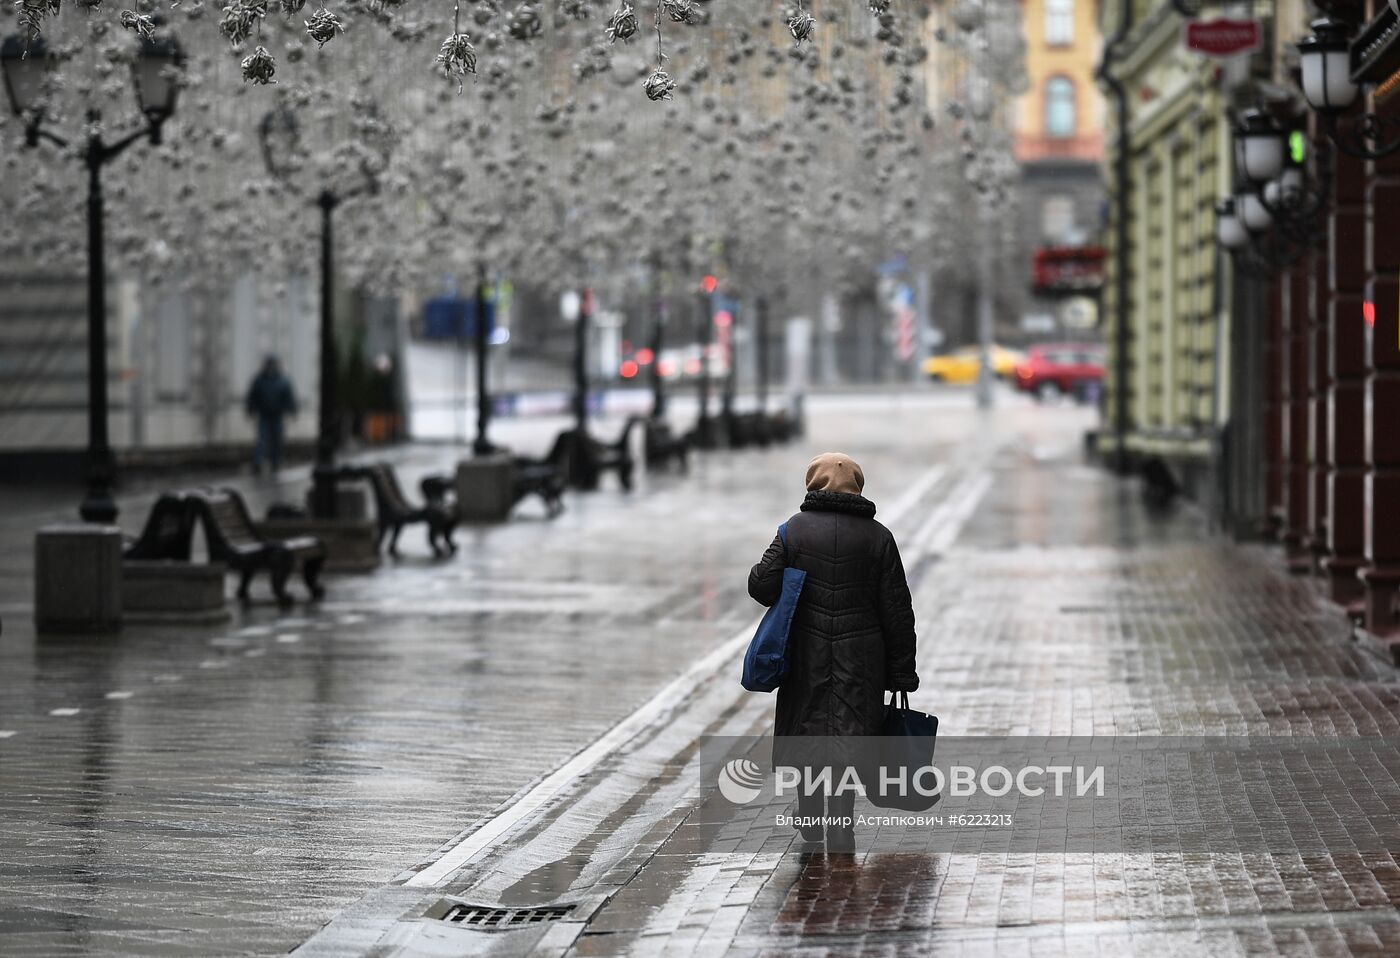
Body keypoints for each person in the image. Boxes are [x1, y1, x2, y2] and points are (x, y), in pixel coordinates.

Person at [748, 452, 919, 852]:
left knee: (811, 737)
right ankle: (842, 829)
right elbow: (897, 609)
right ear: (858, 486)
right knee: (846, 741)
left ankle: (810, 824)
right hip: (862, 660)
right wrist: (902, 671)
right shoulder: (879, 538)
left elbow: (761, 586)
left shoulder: (794, 531)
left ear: (813, 483)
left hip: (805, 655)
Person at [245, 356, 297, 475]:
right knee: (263, 439)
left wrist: (292, 410)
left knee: (277, 440)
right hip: (264, 414)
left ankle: (275, 462)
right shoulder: (260, 380)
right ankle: (258, 462)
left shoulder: (283, 380)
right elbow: (253, 396)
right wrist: (250, 409)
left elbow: (289, 397)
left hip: (277, 415)